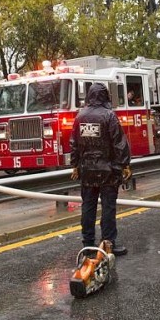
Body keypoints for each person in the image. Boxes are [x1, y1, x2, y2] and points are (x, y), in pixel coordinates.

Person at [70, 83, 132, 255]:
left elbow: (73, 143)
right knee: (108, 207)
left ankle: (87, 244)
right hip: (108, 170)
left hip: (87, 170)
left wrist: (75, 165)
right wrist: (125, 164)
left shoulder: (79, 117)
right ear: (105, 96)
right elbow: (119, 143)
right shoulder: (109, 116)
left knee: (88, 207)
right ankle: (108, 243)